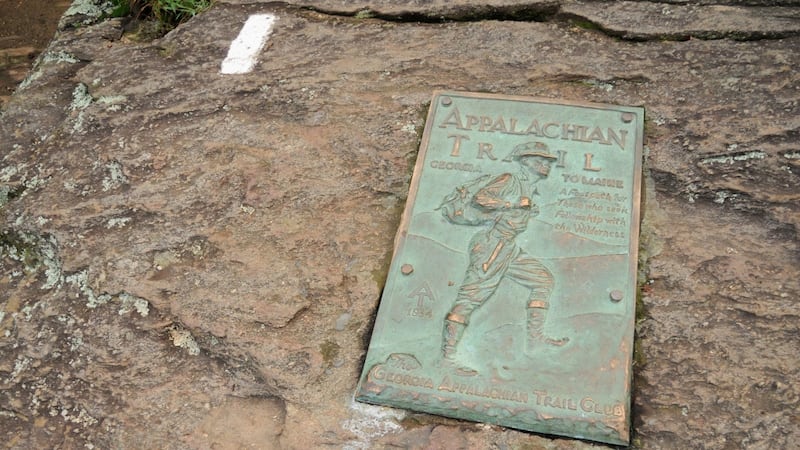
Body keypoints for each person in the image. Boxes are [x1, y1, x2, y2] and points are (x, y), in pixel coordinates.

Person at [440, 141, 568, 375]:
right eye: (540, 161)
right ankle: (447, 358)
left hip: (508, 247)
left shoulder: (528, 186)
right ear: (526, 162)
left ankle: (535, 340)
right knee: (470, 298)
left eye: (548, 161)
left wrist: (526, 209)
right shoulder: (510, 179)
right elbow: (481, 198)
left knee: (543, 281)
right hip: (492, 245)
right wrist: (514, 203)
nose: (546, 165)